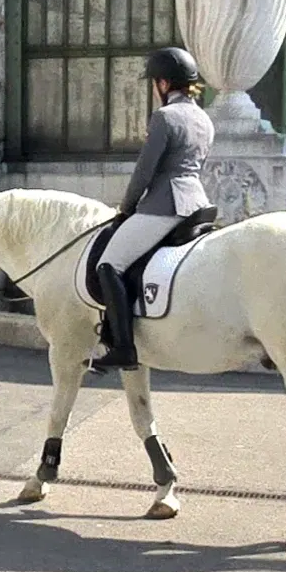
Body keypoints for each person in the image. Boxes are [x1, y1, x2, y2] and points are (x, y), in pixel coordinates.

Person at [89, 48, 214, 374]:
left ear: (162, 83)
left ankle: (124, 348)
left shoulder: (164, 118)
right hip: (198, 204)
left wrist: (125, 209)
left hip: (165, 205)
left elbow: (144, 172)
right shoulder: (204, 118)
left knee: (108, 264)